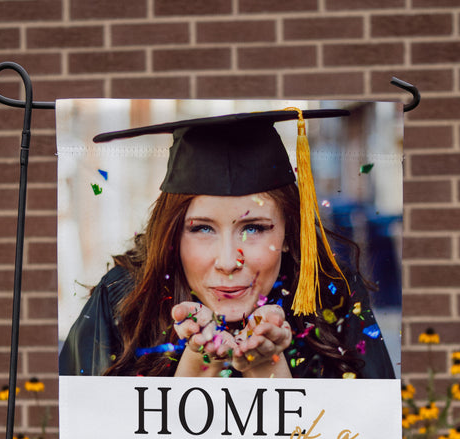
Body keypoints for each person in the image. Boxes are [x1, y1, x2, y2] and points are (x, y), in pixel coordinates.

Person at [59, 109, 395, 380]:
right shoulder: (123, 300)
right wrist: (197, 368)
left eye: (254, 228)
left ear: (290, 235)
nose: (227, 261)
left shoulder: (332, 299)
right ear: (172, 236)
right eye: (202, 229)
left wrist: (268, 372)